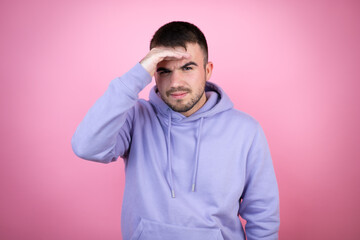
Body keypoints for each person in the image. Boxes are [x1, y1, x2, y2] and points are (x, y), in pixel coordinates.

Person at [72, 21, 280, 240]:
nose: (175, 82)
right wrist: (138, 72)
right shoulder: (135, 118)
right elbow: (86, 146)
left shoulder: (245, 131)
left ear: (207, 70)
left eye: (187, 68)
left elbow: (263, 215)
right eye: (163, 71)